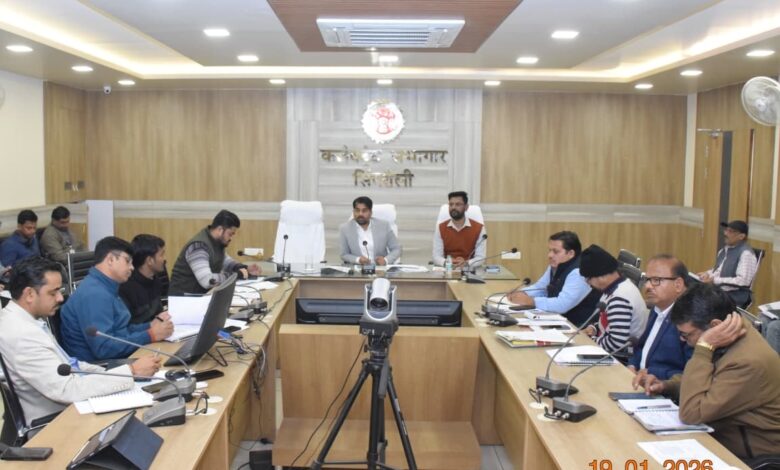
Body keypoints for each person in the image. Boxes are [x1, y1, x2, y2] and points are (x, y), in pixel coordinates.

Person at [0, 257, 161, 424]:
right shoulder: (20, 334)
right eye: (53, 293)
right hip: (58, 422)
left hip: (74, 409)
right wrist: (131, 372)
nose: (60, 298)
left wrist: (118, 373)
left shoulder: (25, 321)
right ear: (29, 294)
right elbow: (66, 389)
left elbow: (71, 365)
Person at [637, 283, 780, 461]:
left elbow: (691, 414)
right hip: (720, 437)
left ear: (715, 325)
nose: (683, 340)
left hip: (751, 457)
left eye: (687, 335)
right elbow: (712, 382)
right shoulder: (727, 337)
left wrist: (703, 348)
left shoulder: (747, 362)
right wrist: (667, 385)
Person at [60, 237, 174, 361]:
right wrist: (150, 335)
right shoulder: (94, 294)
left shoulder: (107, 286)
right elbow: (104, 348)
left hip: (117, 359)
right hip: (100, 367)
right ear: (110, 260)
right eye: (127, 261)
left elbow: (121, 331)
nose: (132, 267)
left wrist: (149, 326)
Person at [507, 231, 599, 327]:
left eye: (556, 251)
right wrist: (522, 293)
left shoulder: (579, 272)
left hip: (577, 327)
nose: (550, 255)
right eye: (550, 250)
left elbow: (562, 304)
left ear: (571, 253)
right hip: (556, 319)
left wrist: (532, 301)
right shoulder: (557, 265)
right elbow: (541, 287)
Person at [629, 254, 692, 385]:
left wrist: (653, 373)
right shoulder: (658, 308)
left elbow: (691, 374)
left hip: (664, 388)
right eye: (647, 280)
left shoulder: (690, 318)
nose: (648, 286)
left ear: (678, 285)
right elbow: (641, 347)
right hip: (639, 381)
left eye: (656, 280)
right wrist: (632, 365)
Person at [169, 210, 260, 295]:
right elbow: (208, 281)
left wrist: (245, 268)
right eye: (230, 234)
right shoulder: (199, 246)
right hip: (184, 299)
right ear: (220, 230)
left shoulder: (216, 243)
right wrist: (236, 275)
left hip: (199, 297)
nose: (231, 238)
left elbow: (225, 261)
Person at [579, 244, 648, 354]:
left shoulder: (619, 298)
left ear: (601, 275)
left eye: (588, 279)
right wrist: (593, 329)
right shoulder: (616, 287)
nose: (588, 283)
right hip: (608, 349)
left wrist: (587, 341)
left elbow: (616, 344)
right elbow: (608, 325)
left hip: (618, 357)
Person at [696, 220, 758, 307]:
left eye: (730, 231)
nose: (725, 233)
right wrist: (707, 274)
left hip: (734, 296)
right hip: (719, 292)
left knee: (699, 302)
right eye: (726, 230)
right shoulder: (725, 250)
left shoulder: (746, 254)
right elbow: (719, 270)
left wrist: (715, 280)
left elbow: (743, 281)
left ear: (741, 236)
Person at [339, 196, 401, 265]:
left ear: (371, 212)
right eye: (357, 210)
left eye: (364, 211)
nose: (360, 214)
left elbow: (396, 249)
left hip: (380, 268)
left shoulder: (384, 226)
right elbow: (344, 254)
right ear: (353, 212)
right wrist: (358, 260)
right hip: (358, 268)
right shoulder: (345, 229)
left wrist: (385, 260)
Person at [119, 234, 167, 324]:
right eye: (161, 255)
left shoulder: (155, 280)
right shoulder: (126, 287)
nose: (164, 259)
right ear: (149, 261)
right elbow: (127, 326)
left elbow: (158, 314)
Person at [432, 191, 487, 269]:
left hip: (469, 270)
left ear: (466, 207)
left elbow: (481, 257)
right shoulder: (441, 227)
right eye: (451, 204)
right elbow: (436, 256)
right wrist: (448, 262)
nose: (453, 207)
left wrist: (466, 263)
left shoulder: (479, 228)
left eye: (458, 204)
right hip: (447, 269)